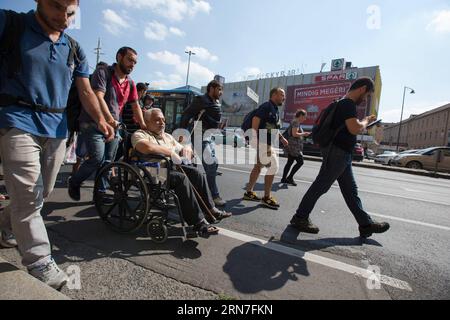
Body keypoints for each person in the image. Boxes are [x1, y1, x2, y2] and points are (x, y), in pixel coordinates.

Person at [0, 1, 114, 290]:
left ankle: (4, 224)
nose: (64, 17)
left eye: (71, 11)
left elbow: (86, 90)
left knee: (41, 193)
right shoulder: (10, 24)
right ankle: (40, 262)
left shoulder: (74, 48)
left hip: (57, 129)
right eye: (56, 6)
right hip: (16, 120)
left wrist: (102, 119)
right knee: (28, 194)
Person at [289, 77, 390, 238]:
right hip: (338, 152)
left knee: (351, 191)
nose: (365, 99)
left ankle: (365, 224)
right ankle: (300, 217)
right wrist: (365, 120)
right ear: (362, 89)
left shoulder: (340, 102)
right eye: (367, 95)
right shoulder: (347, 104)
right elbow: (354, 128)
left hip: (342, 153)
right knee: (321, 185)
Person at [132, 109, 232, 231]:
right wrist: (170, 153)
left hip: (170, 169)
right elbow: (146, 147)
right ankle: (198, 222)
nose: (162, 122)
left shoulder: (167, 136)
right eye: (157, 120)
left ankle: (210, 210)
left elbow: (182, 148)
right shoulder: (140, 134)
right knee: (181, 178)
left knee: (196, 174)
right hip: (151, 172)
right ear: (147, 122)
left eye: (163, 119)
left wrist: (187, 149)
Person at [68, 47, 146, 201]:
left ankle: (100, 193)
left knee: (108, 162)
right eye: (130, 60)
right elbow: (98, 96)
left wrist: (144, 126)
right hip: (93, 122)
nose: (132, 65)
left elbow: (135, 105)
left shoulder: (130, 82)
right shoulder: (103, 72)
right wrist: (109, 119)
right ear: (119, 57)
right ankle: (75, 181)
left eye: (135, 62)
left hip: (114, 126)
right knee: (97, 158)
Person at [180, 80, 226, 208]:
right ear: (211, 88)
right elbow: (186, 114)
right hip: (199, 134)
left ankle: (199, 190)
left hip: (209, 136)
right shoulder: (201, 100)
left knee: (214, 164)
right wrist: (182, 135)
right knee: (211, 164)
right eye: (219, 89)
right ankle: (213, 195)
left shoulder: (215, 102)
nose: (221, 92)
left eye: (221, 90)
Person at [243, 88, 288, 210]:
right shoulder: (266, 106)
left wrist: (282, 138)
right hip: (263, 142)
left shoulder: (275, 109)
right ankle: (266, 197)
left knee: (258, 167)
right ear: (274, 95)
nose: (284, 97)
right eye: (282, 95)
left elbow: (273, 128)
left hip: (267, 142)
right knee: (273, 166)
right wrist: (253, 138)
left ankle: (248, 192)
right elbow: (255, 119)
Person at [281, 109, 310, 186]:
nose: (305, 118)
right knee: (300, 162)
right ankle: (290, 177)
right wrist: (304, 134)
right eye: (304, 117)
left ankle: (284, 178)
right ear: (300, 116)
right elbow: (294, 134)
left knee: (289, 162)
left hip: (292, 145)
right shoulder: (296, 122)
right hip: (294, 147)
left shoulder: (295, 122)